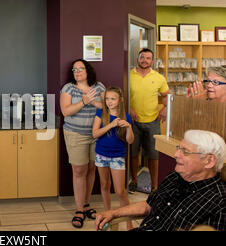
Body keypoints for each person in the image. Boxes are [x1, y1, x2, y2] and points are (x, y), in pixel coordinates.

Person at [95, 130, 226, 231]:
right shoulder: (175, 176)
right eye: (178, 148)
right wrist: (114, 213)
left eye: (185, 151)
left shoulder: (219, 204)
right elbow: (148, 206)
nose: (176, 155)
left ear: (209, 161)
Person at [60, 59, 105, 228]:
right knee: (79, 170)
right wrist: (84, 102)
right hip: (75, 134)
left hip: (96, 134)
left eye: (81, 69)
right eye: (74, 69)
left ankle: (86, 204)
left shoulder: (99, 87)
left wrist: (94, 102)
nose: (77, 72)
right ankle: (79, 210)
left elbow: (107, 107)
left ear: (88, 71)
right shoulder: (68, 88)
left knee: (92, 168)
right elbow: (66, 111)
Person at [129, 48, 170, 193]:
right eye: (142, 57)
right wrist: (128, 108)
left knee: (154, 155)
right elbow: (121, 94)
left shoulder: (159, 77)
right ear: (138, 59)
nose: (144, 60)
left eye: (148, 58)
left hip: (153, 121)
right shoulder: (128, 75)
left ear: (152, 61)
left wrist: (165, 108)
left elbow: (167, 95)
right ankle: (134, 180)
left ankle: (154, 186)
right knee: (133, 153)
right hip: (132, 122)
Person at [92, 86, 134, 229]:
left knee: (120, 191)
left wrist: (128, 127)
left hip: (117, 156)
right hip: (101, 155)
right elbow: (95, 134)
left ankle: (129, 223)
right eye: (107, 99)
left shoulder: (126, 116)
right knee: (104, 185)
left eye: (113, 99)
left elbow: (130, 141)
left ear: (120, 100)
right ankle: (107, 217)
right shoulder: (100, 113)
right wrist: (110, 125)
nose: (109, 102)